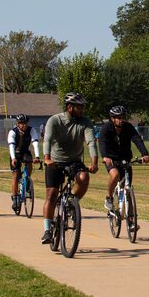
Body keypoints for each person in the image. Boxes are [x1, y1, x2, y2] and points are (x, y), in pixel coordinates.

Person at [40, 92, 98, 244]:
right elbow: (47, 139)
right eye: (79, 107)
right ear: (69, 107)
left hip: (74, 161)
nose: (82, 110)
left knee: (84, 178)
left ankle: (71, 204)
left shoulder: (85, 122)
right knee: (52, 194)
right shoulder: (55, 120)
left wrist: (94, 162)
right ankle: (47, 230)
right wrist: (46, 158)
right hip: (55, 161)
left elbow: (91, 142)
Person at [98, 105, 149, 211]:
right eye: (118, 117)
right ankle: (109, 197)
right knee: (115, 175)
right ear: (112, 118)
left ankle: (131, 220)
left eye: (123, 117)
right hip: (111, 159)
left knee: (128, 190)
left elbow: (137, 139)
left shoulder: (128, 127)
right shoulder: (106, 128)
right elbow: (102, 142)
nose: (121, 120)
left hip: (125, 159)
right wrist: (105, 156)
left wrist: (145, 154)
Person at [8, 114, 40, 214]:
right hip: (16, 153)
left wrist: (37, 156)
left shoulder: (31, 130)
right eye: (22, 123)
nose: (24, 125)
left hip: (25, 152)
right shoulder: (13, 132)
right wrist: (13, 158)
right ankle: (15, 198)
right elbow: (11, 146)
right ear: (18, 124)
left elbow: (35, 143)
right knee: (16, 175)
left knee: (29, 165)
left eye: (25, 123)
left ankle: (26, 183)